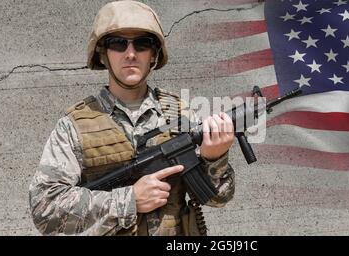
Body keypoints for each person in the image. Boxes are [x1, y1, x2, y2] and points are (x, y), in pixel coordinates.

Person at [29, 0, 235, 236]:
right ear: (103, 54)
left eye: (142, 43)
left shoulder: (179, 113)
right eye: (118, 44)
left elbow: (218, 199)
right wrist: (129, 200)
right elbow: (44, 209)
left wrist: (215, 159)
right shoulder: (75, 125)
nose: (130, 54)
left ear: (154, 54)